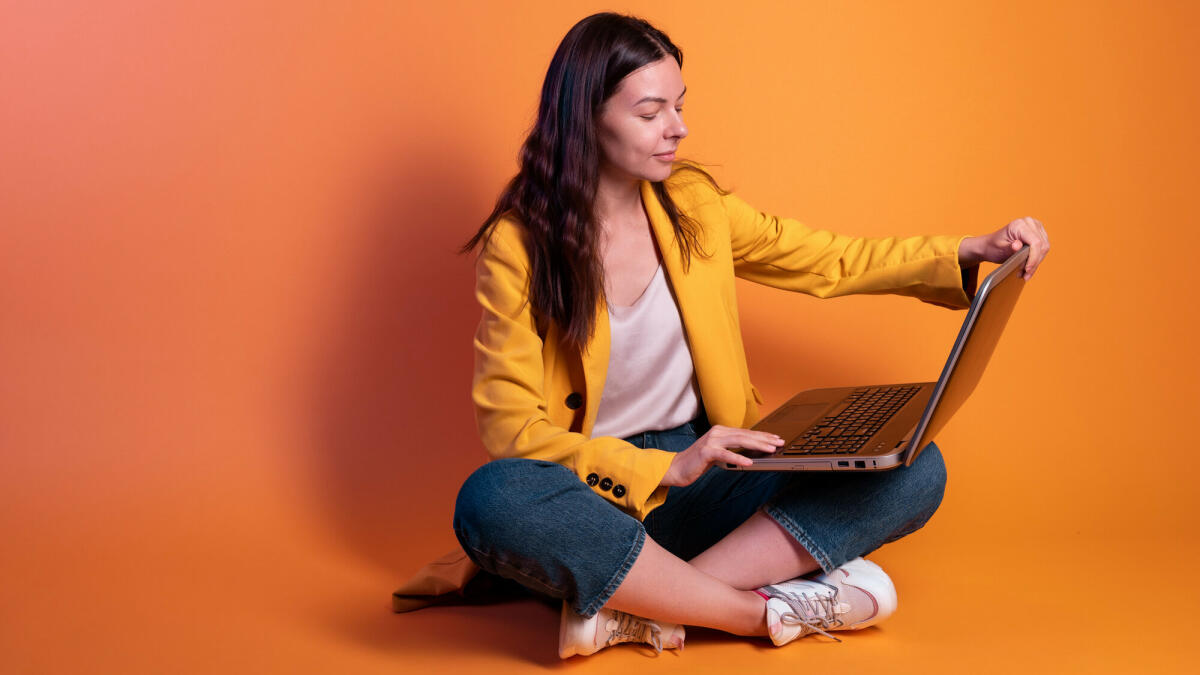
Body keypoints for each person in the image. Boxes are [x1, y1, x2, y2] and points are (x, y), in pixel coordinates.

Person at [395, 11, 1050, 658]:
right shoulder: (520, 244)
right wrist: (663, 465)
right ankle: (754, 611)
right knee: (493, 496)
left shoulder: (694, 203)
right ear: (586, 118)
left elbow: (827, 258)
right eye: (651, 112)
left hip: (709, 476)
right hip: (594, 501)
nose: (677, 129)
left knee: (915, 463)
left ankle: (648, 604)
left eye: (679, 106)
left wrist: (970, 249)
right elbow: (514, 434)